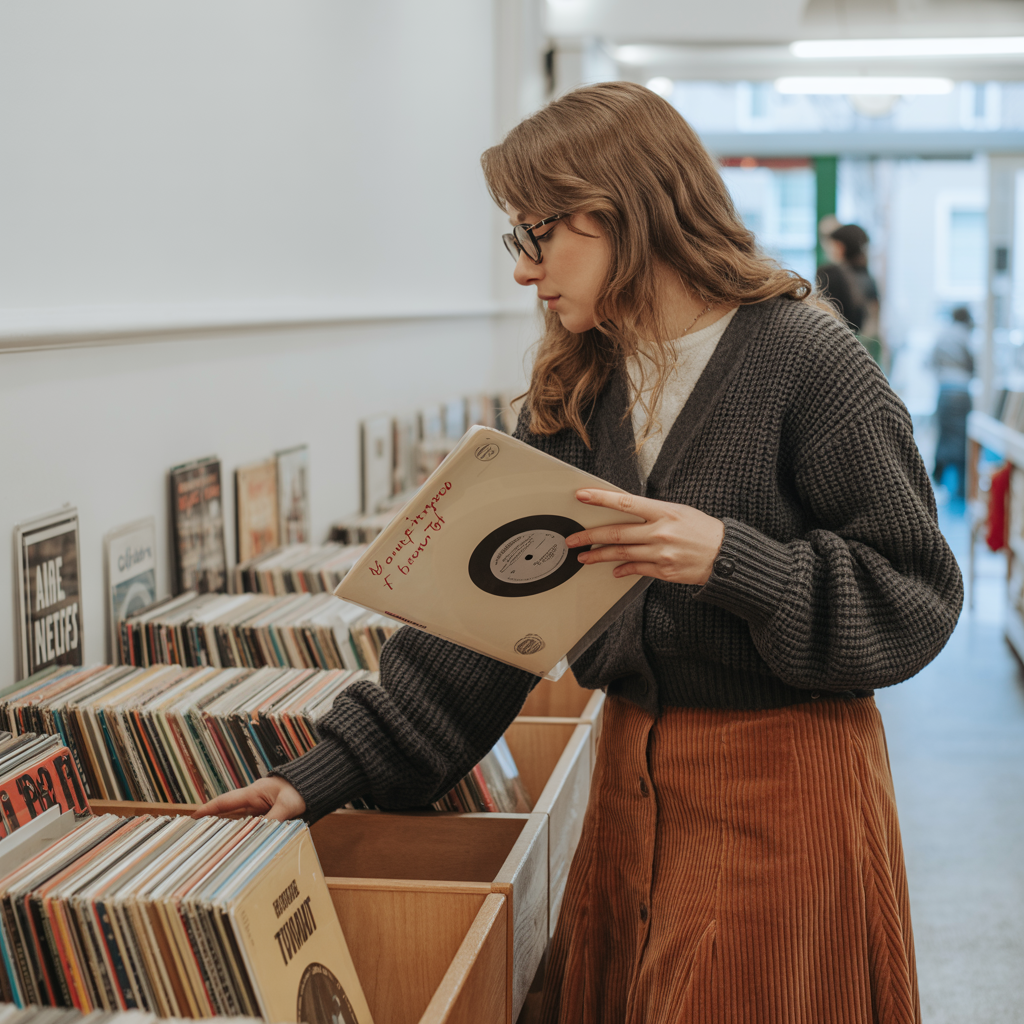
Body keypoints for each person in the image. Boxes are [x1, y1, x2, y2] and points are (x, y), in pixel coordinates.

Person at [198, 82, 962, 1024]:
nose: (524, 272)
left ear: (622, 218)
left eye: (537, 235)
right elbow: (481, 636)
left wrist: (735, 558)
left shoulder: (807, 360)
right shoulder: (578, 384)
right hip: (631, 782)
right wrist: (316, 777)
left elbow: (917, 594)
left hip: (786, 786)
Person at [817, 222, 887, 368]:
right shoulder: (867, 277)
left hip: (835, 353)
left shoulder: (829, 273)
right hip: (864, 355)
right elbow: (875, 316)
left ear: (840, 247)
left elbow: (822, 314)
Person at [931, 306, 975, 499]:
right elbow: (974, 365)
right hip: (963, 392)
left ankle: (937, 481)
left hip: (945, 391)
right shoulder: (966, 336)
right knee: (962, 440)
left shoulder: (943, 335)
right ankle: (962, 489)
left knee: (944, 436)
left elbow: (930, 362)